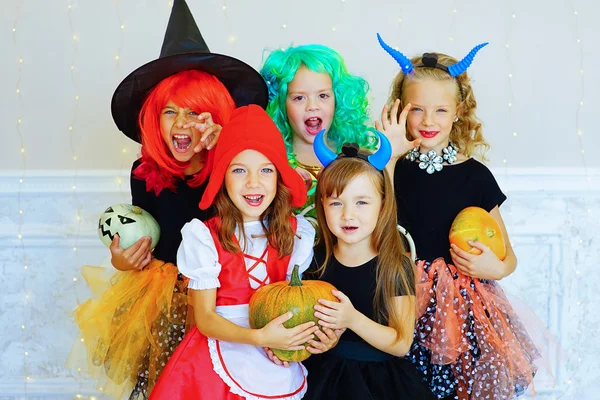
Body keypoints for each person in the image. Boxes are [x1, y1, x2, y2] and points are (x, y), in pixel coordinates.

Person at [69, 1, 267, 398]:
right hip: (167, 304)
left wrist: (227, 153)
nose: (181, 124)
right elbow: (147, 234)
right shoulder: (145, 172)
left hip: (225, 298)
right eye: (169, 111)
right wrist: (122, 260)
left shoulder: (237, 171)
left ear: (216, 118)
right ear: (153, 118)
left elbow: (247, 221)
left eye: (195, 113)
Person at [376, 33, 540, 399]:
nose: (428, 120)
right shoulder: (392, 170)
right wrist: (387, 159)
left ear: (458, 112)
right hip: (401, 301)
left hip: (466, 312)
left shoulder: (475, 176)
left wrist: (494, 268)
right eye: (417, 109)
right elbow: (379, 228)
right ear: (400, 108)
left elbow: (508, 257)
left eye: (440, 110)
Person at [149, 105, 317, 400]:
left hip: (274, 360)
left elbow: (296, 303)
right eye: (239, 170)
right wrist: (258, 337)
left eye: (266, 170)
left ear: (279, 177)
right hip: (212, 364)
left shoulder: (297, 233)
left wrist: (287, 345)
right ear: (222, 177)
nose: (253, 183)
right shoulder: (204, 237)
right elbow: (204, 318)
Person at [300, 131, 436, 399]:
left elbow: (401, 343)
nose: (348, 214)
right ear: (322, 205)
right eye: (336, 202)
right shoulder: (312, 261)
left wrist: (351, 319)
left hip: (380, 382)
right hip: (321, 376)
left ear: (382, 205)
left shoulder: (395, 266)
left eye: (361, 202)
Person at [260, 44, 375, 221]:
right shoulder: (269, 162)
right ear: (282, 106)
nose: (312, 106)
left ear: (338, 100)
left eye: (323, 96)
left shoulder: (357, 158)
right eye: (299, 98)